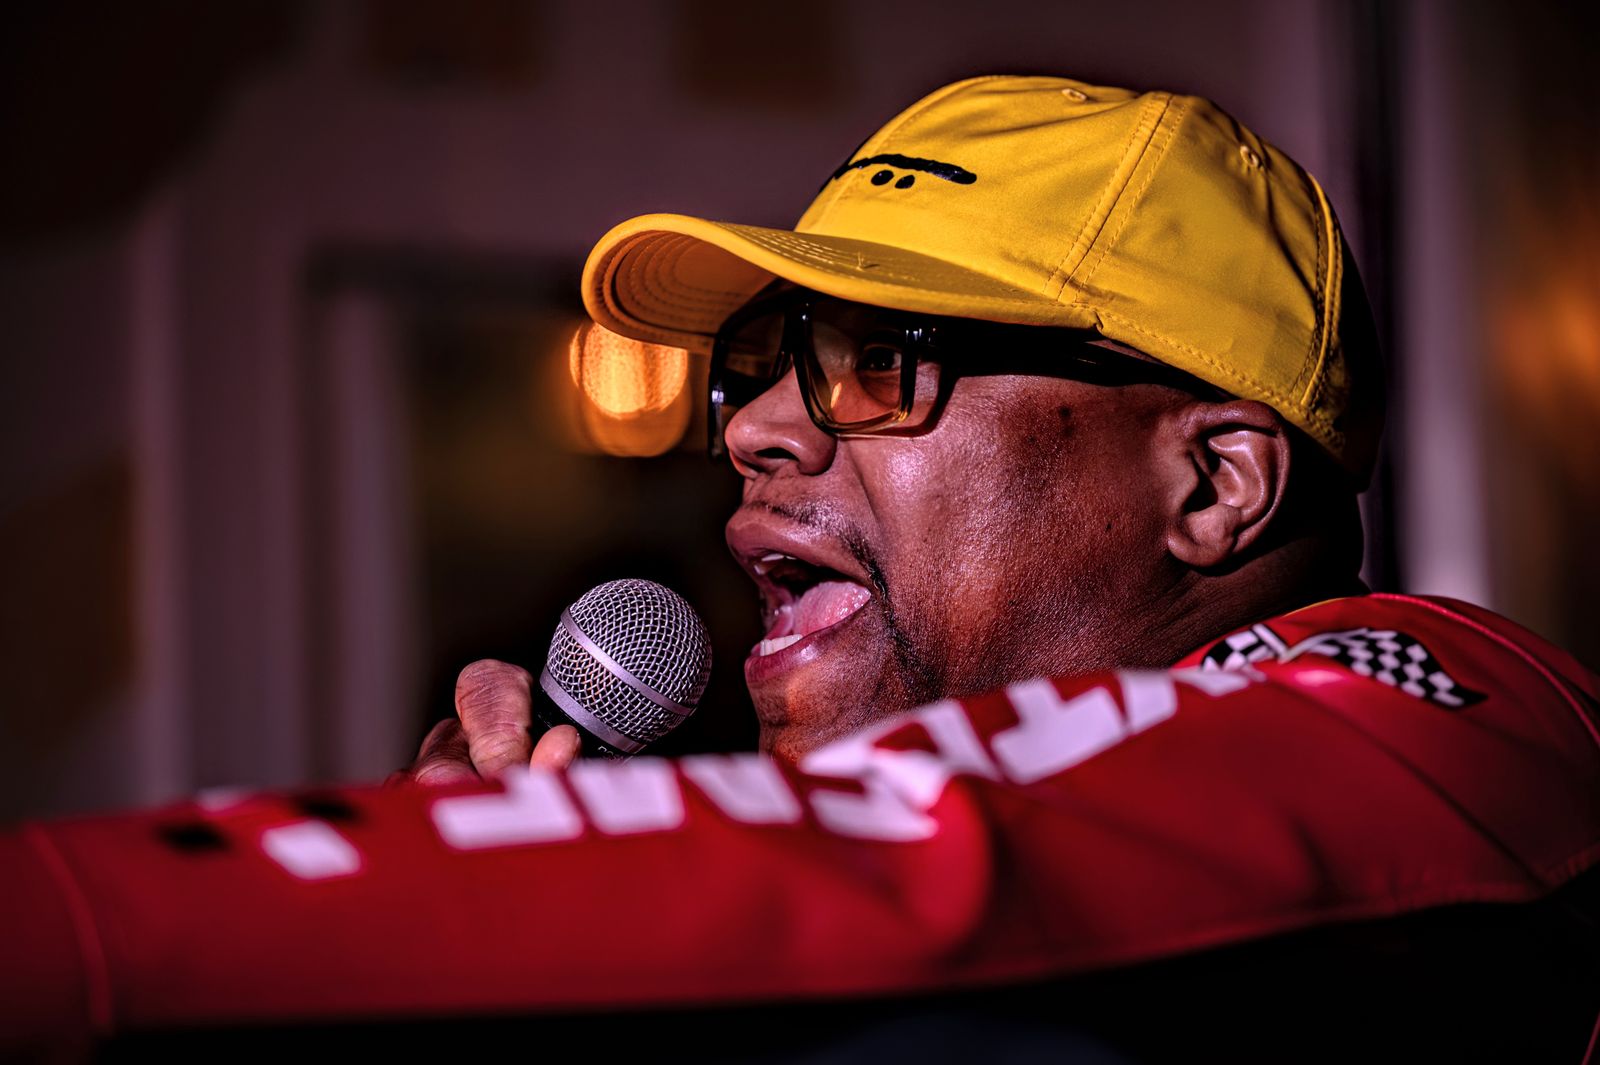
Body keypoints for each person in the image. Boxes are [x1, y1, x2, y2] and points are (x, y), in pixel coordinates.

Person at [4, 75, 1599, 1061]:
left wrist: (466, 898)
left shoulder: (1461, 717)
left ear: (1214, 483)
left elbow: (947, 848)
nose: (759, 426)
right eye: (764, 366)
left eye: (876, 358)